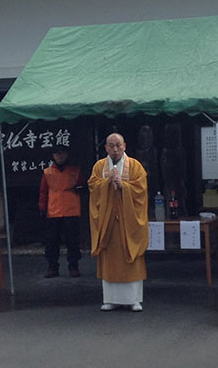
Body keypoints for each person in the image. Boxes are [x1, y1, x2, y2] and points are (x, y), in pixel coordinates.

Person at [88, 133, 148, 312]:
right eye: (111, 146)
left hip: (128, 221)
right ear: (106, 148)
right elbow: (93, 186)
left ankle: (134, 299)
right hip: (108, 222)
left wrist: (123, 186)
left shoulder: (135, 166)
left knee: (132, 255)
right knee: (110, 259)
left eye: (118, 145)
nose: (115, 149)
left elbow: (141, 190)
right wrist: (107, 183)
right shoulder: (99, 167)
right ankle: (110, 299)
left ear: (125, 146)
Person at [38, 148, 84, 278]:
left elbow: (83, 186)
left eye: (62, 153)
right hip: (54, 211)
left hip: (72, 210)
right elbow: (43, 192)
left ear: (67, 154)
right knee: (52, 241)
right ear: (53, 155)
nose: (60, 156)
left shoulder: (75, 170)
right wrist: (42, 208)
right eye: (57, 154)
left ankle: (73, 266)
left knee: (73, 241)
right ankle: (52, 266)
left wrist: (80, 187)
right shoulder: (47, 172)